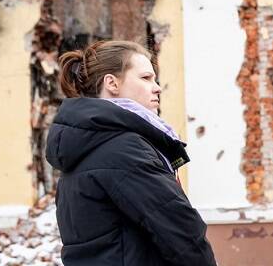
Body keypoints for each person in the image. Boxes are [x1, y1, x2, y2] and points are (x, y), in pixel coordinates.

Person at [46, 40, 216, 266]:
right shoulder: (122, 149)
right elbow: (180, 230)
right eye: (146, 78)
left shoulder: (87, 144)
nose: (156, 87)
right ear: (112, 83)